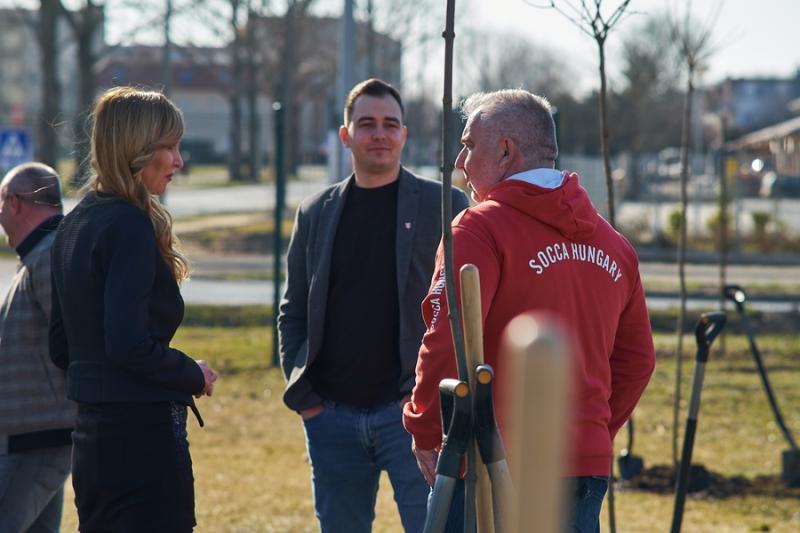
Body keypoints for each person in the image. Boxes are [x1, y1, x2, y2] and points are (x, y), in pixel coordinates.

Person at [403, 89, 656, 532]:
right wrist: (592, 433)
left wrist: (425, 427)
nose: (460, 163)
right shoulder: (615, 245)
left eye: (468, 145)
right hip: (581, 466)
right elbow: (638, 361)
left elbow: (448, 340)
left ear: (505, 150)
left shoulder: (478, 229)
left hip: (490, 463)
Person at [278, 78, 469, 533]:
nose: (379, 134)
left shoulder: (444, 204)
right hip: (331, 418)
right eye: (366, 124)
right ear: (345, 135)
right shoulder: (316, 211)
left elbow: (463, 307)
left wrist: (427, 399)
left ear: (404, 133)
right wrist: (307, 400)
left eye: (389, 124)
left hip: (414, 416)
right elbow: (293, 310)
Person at [49, 87, 218, 532]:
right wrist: (192, 374)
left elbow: (61, 348)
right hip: (143, 444)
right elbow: (127, 345)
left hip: (91, 444)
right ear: (137, 149)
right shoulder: (129, 226)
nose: (179, 161)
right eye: (170, 147)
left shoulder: (74, 223)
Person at [0, 162, 75, 533]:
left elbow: (74, 346)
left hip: (40, 440)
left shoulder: (47, 257)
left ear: (14, 203)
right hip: (39, 437)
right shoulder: (40, 256)